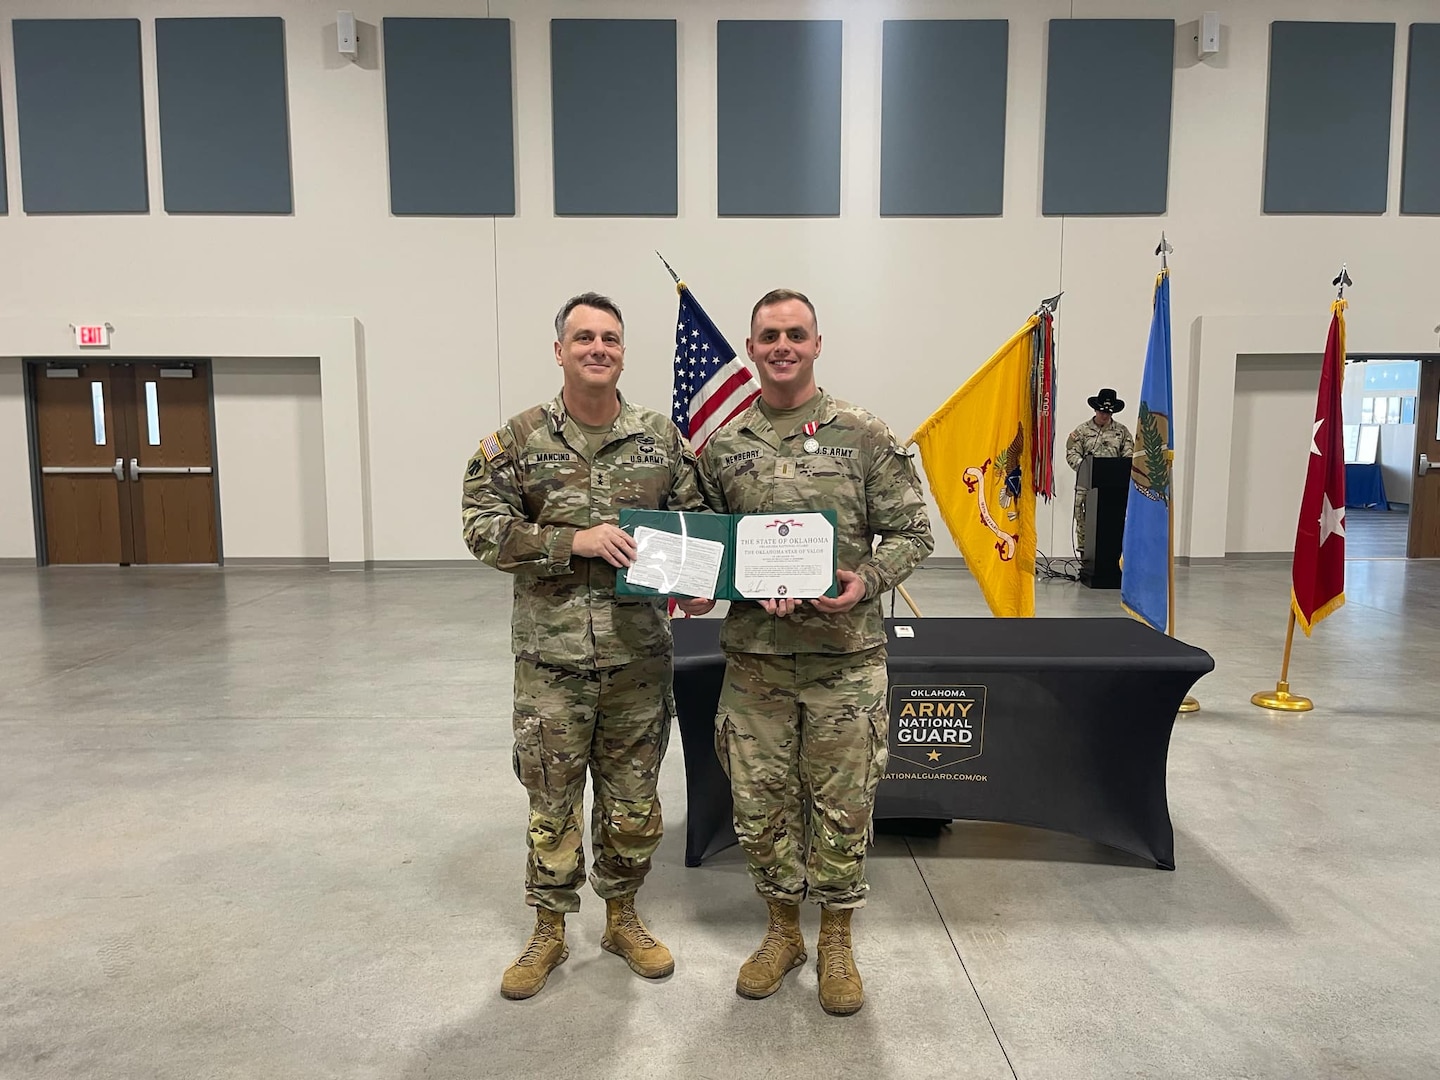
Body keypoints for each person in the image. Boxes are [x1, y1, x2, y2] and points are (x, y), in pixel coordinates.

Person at [677, 289, 933, 1016]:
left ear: (818, 343)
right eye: (768, 335)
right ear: (752, 348)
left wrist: (866, 580)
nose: (782, 345)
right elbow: (706, 549)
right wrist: (705, 587)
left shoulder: (863, 435)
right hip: (755, 663)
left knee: (843, 807)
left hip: (845, 663)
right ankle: (783, 930)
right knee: (759, 809)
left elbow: (914, 534)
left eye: (795, 333)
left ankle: (837, 938)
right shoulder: (723, 449)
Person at [461, 291, 706, 1000]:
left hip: (638, 659)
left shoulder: (661, 440)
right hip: (552, 665)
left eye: (610, 339)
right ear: (560, 349)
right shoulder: (520, 439)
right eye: (584, 337)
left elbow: (693, 526)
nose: (598, 348)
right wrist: (573, 541)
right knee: (553, 804)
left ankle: (623, 918)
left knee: (633, 805)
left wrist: (696, 587)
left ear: (623, 352)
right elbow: (481, 527)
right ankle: (549, 929)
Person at [1065, 387, 1135, 556]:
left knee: (1112, 521)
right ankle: (1085, 556)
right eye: (1102, 411)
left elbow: (1129, 456)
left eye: (1108, 413)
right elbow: (1071, 453)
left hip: (1113, 487)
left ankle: (1112, 557)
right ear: (1095, 409)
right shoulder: (1082, 431)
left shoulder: (1122, 432)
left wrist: (1119, 468)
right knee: (1082, 518)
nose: (1104, 415)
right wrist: (1085, 467)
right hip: (1087, 484)